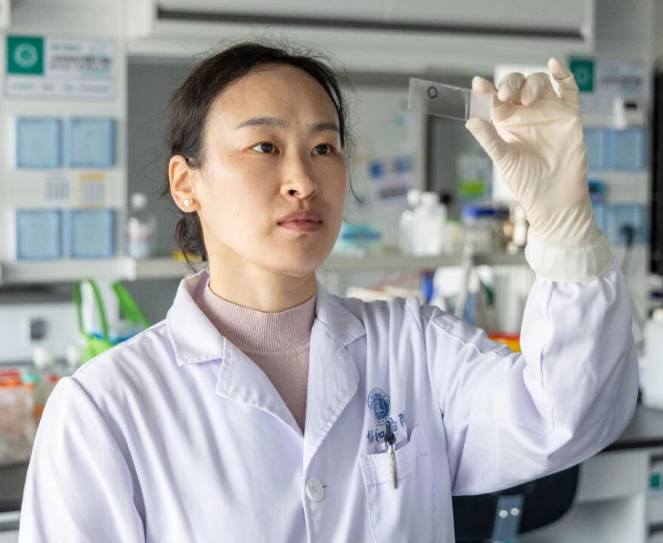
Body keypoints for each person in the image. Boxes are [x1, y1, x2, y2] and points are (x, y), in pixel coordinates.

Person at [19, 41, 638, 543]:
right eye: (264, 147)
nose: (302, 180)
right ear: (186, 183)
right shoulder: (104, 409)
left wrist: (563, 223)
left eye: (324, 148)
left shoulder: (413, 346)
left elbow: (565, 419)